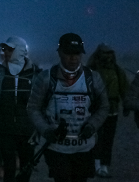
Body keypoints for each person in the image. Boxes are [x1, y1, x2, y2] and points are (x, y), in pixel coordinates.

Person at [27, 33, 110, 182]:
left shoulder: (93, 78)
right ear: (59, 53)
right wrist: (46, 130)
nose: (73, 58)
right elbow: (33, 108)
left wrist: (92, 126)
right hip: (56, 147)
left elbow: (104, 106)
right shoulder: (46, 78)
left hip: (84, 148)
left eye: (77, 53)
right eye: (68, 53)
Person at [0, 36, 41, 182]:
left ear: (21, 51)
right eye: (5, 49)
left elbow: (45, 97)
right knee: (9, 167)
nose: (6, 52)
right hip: (5, 128)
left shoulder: (35, 73)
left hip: (27, 129)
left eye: (10, 49)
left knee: (26, 166)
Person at [87, 43, 128, 178]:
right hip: (96, 110)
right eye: (105, 54)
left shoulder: (117, 70)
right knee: (97, 138)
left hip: (112, 110)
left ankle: (103, 166)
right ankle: (96, 165)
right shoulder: (91, 70)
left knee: (108, 139)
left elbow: (125, 90)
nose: (108, 57)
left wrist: (126, 105)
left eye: (110, 54)